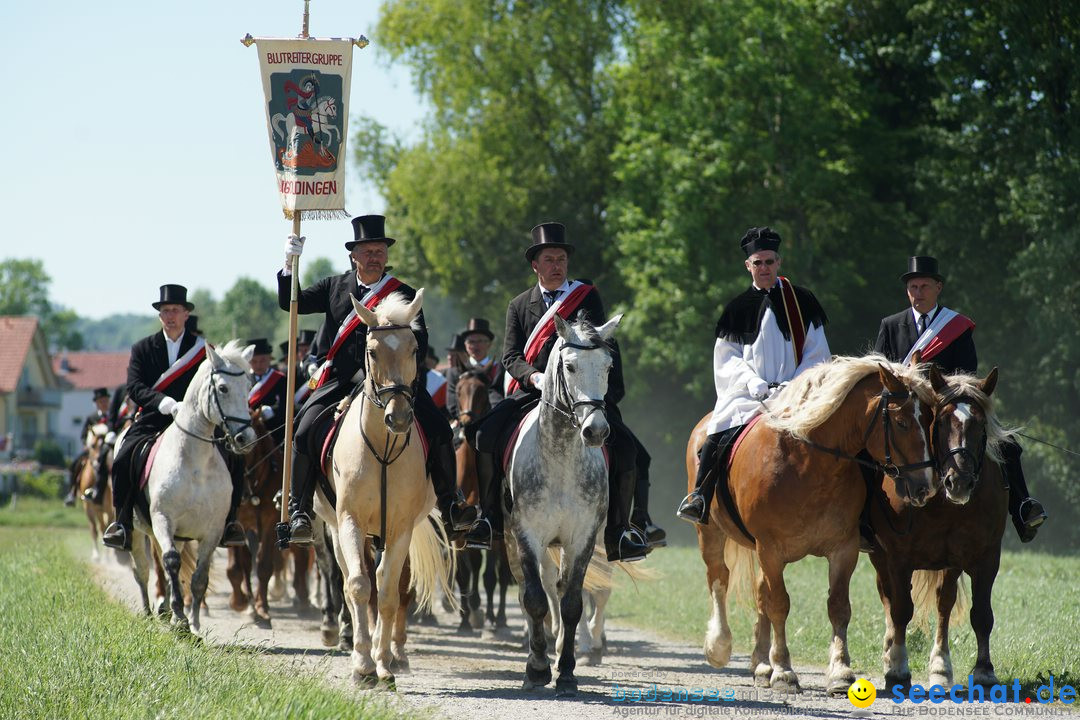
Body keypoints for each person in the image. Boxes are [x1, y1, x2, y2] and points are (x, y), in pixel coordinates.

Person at [278, 214, 479, 545]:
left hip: (395, 383)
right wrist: (289, 264)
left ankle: (450, 504)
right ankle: (299, 510)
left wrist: (397, 373)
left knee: (440, 429)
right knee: (303, 428)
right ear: (353, 256)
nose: (374, 256)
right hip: (341, 380)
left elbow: (420, 343)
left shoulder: (404, 293)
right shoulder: (333, 286)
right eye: (367, 251)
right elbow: (291, 302)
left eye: (379, 250)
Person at [470, 222, 657, 562]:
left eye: (561, 259)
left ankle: (624, 531)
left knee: (631, 451)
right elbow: (510, 356)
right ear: (535, 266)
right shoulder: (518, 304)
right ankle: (489, 520)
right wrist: (533, 377)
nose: (556, 265)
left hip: (584, 394)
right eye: (549, 259)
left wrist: (606, 394)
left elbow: (605, 345)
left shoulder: (586, 297)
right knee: (484, 436)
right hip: (533, 393)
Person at [873, 255, 1047, 543]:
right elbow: (881, 371)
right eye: (913, 287)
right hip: (907, 409)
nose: (917, 293)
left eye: (924, 286)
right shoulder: (891, 325)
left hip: (948, 404)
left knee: (1008, 445)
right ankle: (862, 519)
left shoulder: (956, 326)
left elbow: (967, 373)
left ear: (938, 287)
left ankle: (1022, 509)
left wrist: (940, 391)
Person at [677, 227, 830, 525]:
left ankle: (857, 514)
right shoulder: (736, 310)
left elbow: (818, 352)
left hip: (798, 393)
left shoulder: (803, 302)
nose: (764, 268)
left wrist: (796, 385)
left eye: (769, 262)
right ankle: (700, 496)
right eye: (758, 263)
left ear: (779, 262)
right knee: (717, 430)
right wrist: (753, 383)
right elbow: (726, 359)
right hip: (750, 396)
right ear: (748, 266)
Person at [102, 285, 247, 551]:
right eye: (165, 311)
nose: (170, 316)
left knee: (235, 455)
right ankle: (122, 523)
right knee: (123, 457)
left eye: (175, 311)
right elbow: (134, 386)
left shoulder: (204, 350)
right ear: (160, 316)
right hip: (154, 419)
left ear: (186, 315)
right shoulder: (143, 348)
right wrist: (165, 403)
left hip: (198, 423)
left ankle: (230, 522)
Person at [446, 318, 505, 421]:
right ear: (465, 345)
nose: (475, 346)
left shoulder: (499, 370)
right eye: (471, 341)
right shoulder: (455, 372)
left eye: (480, 341)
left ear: (489, 344)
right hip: (463, 423)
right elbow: (452, 404)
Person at [64, 388, 111, 506]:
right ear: (97, 403)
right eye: (101, 402)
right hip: (93, 450)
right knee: (75, 464)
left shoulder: (112, 417)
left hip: (109, 450)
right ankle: (72, 492)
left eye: (105, 401)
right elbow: (83, 435)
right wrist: (86, 445)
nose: (104, 404)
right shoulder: (91, 418)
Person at [246, 338, 289, 445]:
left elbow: (286, 406)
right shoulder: (243, 379)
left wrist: (271, 411)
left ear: (270, 359)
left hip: (273, 429)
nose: (258, 365)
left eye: (262, 360)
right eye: (254, 361)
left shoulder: (280, 379)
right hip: (248, 428)